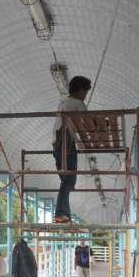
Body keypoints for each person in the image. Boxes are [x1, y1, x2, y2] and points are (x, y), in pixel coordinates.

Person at [52, 76, 92, 223]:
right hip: (65, 144)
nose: (85, 95)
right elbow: (86, 124)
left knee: (67, 180)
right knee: (69, 180)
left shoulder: (63, 102)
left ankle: (65, 214)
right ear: (80, 90)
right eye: (85, 92)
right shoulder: (78, 103)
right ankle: (60, 213)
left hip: (57, 144)